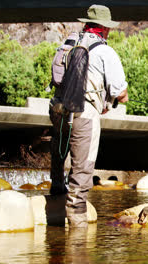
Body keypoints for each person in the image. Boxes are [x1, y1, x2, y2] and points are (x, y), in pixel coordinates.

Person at [49, 4, 129, 227]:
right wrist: (122, 97)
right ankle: (77, 224)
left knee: (59, 150)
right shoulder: (105, 51)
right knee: (83, 166)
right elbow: (120, 92)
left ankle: (56, 190)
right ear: (104, 28)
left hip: (57, 109)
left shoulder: (68, 43)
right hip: (83, 114)